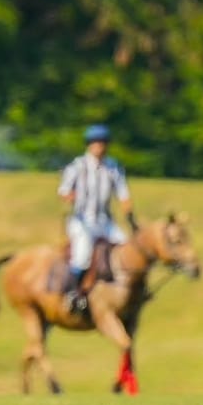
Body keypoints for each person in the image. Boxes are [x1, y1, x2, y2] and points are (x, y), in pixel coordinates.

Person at [57, 124, 139, 311]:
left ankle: (131, 292)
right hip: (82, 221)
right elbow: (63, 190)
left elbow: (123, 194)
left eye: (103, 143)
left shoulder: (113, 167)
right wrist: (71, 196)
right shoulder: (78, 166)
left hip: (104, 221)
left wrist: (130, 216)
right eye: (96, 143)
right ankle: (73, 293)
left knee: (127, 249)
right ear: (89, 145)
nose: (100, 147)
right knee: (82, 255)